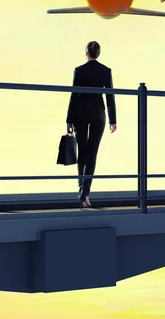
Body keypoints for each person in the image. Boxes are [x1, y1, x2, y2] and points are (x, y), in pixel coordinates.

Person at [66, 41, 117, 209]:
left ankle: (81, 190)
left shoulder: (79, 71)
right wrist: (113, 120)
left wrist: (68, 119)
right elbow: (110, 97)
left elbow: (74, 95)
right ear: (98, 54)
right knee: (92, 153)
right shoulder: (105, 71)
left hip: (81, 113)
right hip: (98, 113)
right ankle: (86, 193)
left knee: (82, 151)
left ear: (86, 53)